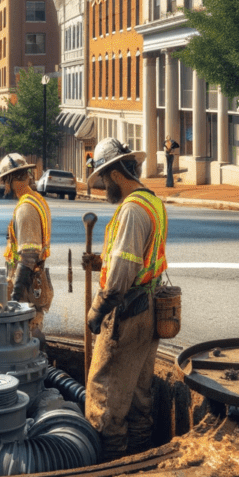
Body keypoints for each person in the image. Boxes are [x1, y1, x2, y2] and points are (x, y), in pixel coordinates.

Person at [83, 137, 168, 460]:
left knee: (105, 396)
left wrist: (97, 310)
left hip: (127, 313)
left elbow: (120, 279)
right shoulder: (152, 202)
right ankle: (139, 460)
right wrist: (98, 262)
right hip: (149, 309)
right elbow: (138, 259)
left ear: (117, 174)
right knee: (137, 395)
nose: (104, 186)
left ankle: (111, 465)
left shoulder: (131, 210)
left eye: (105, 178)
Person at [0, 154, 53, 344]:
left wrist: (14, 298)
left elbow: (28, 257)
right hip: (34, 282)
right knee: (28, 338)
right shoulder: (36, 199)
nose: (4, 186)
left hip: (27, 288)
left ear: (10, 180)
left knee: (24, 340)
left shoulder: (26, 208)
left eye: (5, 181)